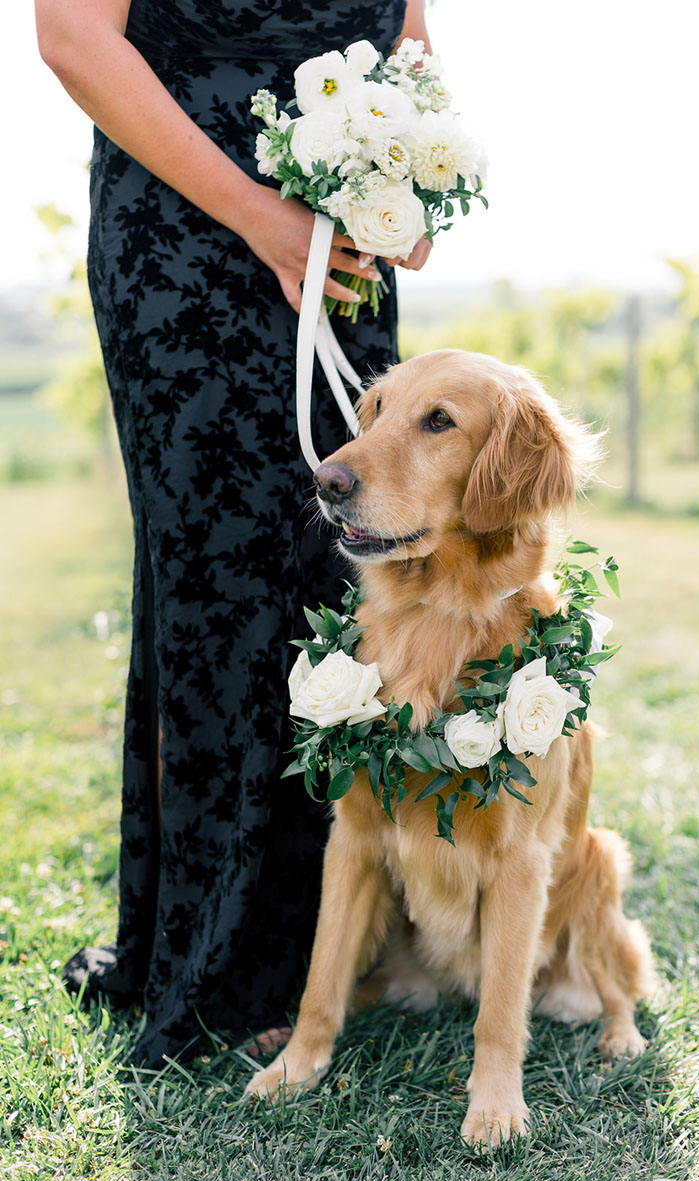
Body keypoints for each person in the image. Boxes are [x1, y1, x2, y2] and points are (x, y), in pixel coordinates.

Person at [35, 0, 433, 1068]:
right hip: (184, 243)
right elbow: (72, 37)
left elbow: (409, 51)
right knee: (217, 575)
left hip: (339, 262)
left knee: (331, 579)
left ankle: (333, 943)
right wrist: (260, 217)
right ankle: (214, 960)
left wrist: (411, 189)